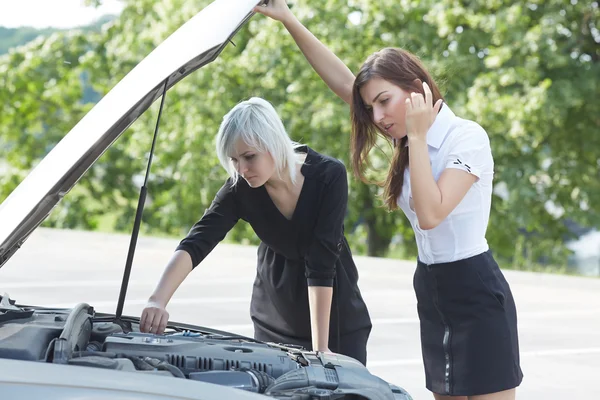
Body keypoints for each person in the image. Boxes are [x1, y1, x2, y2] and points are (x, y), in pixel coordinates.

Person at [253, 1, 523, 399]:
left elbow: (431, 214)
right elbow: (344, 83)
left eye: (384, 101)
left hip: (475, 289)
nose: (376, 116)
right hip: (431, 286)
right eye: (370, 108)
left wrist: (415, 134)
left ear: (416, 89)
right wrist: (289, 20)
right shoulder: (403, 136)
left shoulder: (465, 137)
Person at [140, 96, 372, 365]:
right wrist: (157, 300)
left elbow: (321, 261)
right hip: (276, 316)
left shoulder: (328, 176)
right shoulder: (239, 189)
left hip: (334, 311)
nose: (242, 169)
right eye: (234, 159)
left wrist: (321, 348)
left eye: (249, 157)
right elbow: (198, 241)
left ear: (273, 142)